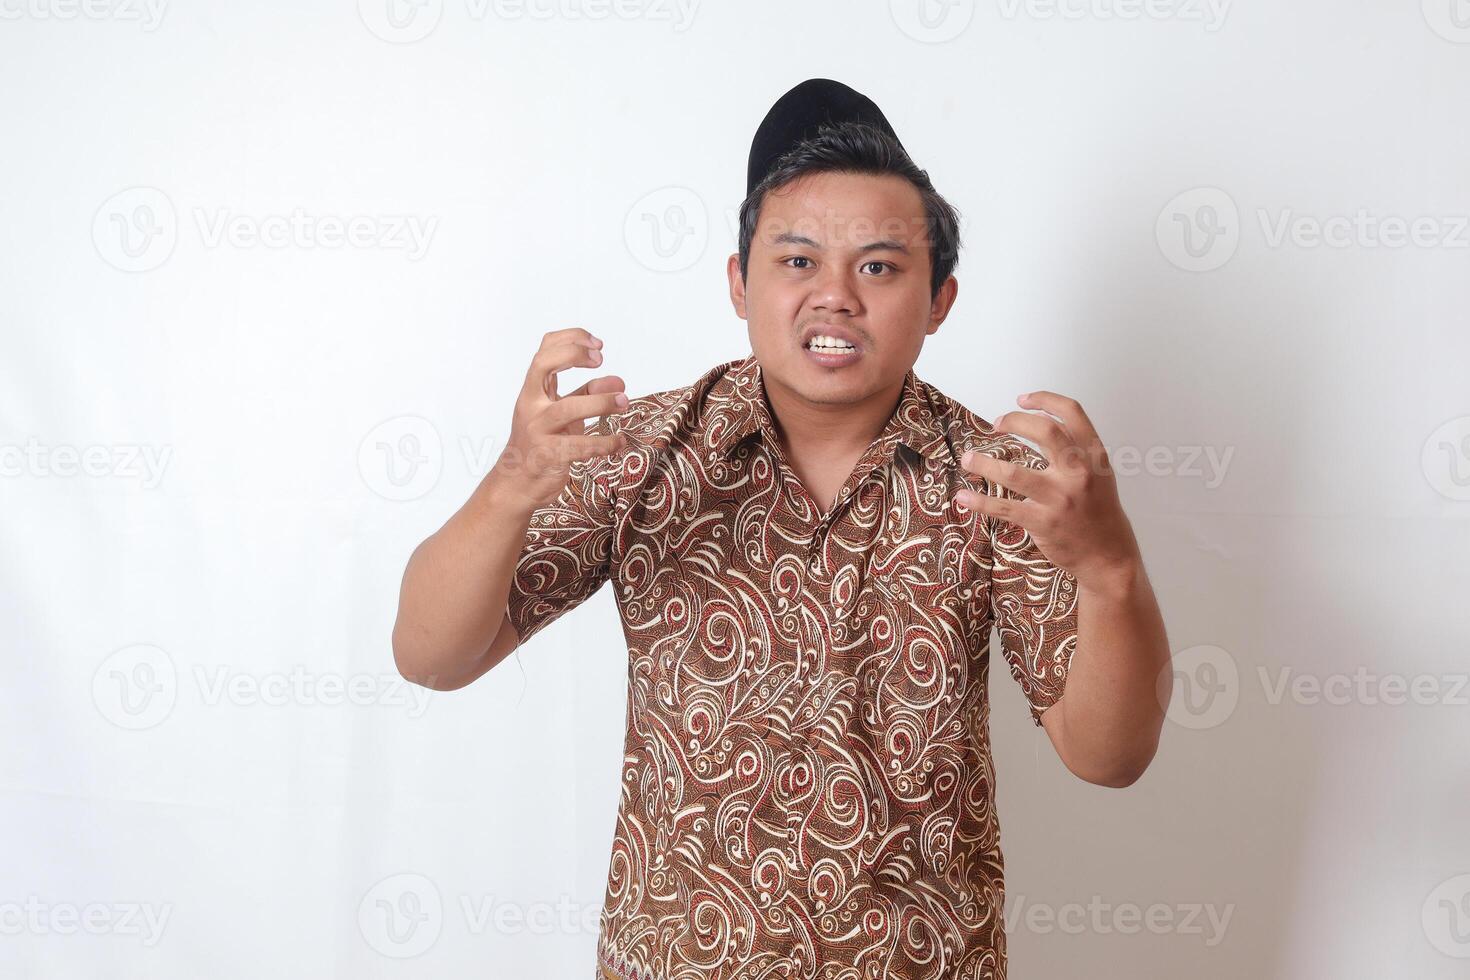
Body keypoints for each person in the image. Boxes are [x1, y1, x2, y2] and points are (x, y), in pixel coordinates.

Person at [393, 78, 1170, 980]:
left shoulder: (998, 481)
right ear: (739, 282)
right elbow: (431, 656)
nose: (835, 296)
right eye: (797, 261)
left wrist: (1112, 566)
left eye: (879, 266)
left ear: (940, 299)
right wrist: (512, 485)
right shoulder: (641, 452)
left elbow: (1107, 756)